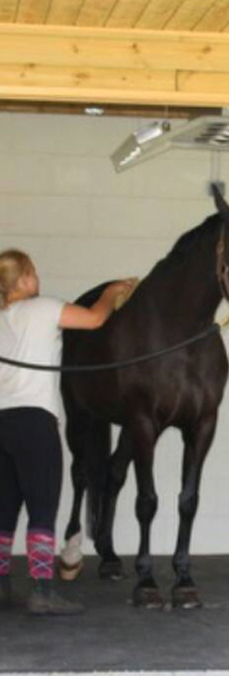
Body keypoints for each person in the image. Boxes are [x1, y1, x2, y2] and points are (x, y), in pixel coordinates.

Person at [0, 249, 135, 616]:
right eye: (33, 272)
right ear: (24, 278)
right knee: (42, 509)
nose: (37, 278)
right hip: (34, 424)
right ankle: (42, 591)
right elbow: (94, 319)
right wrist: (113, 291)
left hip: (2, 422)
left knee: (4, 510)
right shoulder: (42, 309)